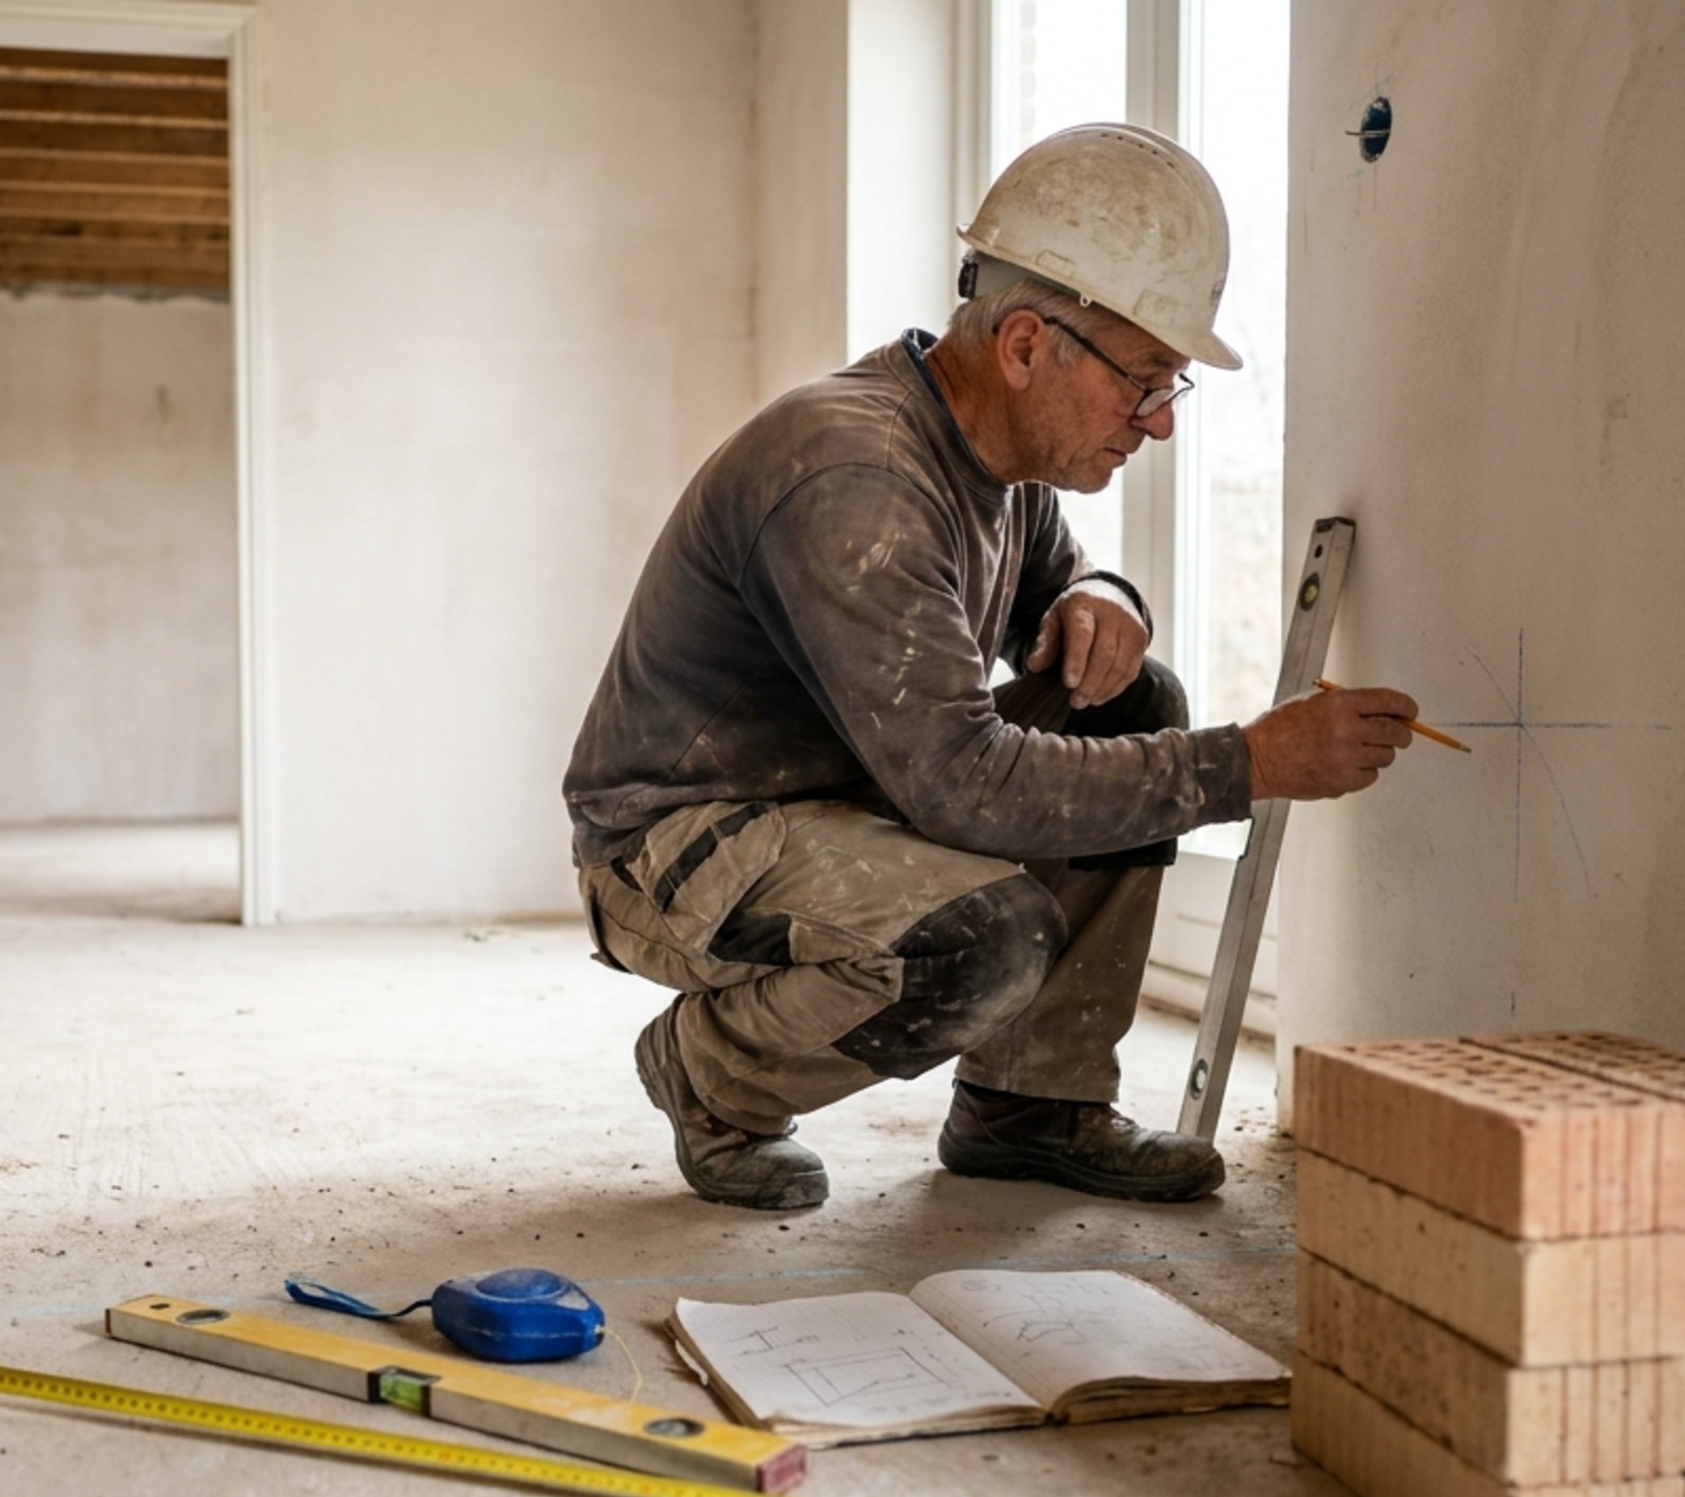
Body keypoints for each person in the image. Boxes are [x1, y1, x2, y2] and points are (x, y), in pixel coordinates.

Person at [561, 125, 1416, 1213]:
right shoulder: (854, 475)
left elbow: (1051, 588)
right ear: (1024, 345)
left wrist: (1102, 595)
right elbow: (963, 784)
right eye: (1144, 381)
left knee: (1132, 700)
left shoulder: (997, 457)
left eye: (1172, 388)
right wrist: (1247, 763)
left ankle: (1030, 1108)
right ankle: (711, 1077)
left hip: (847, 798)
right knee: (982, 940)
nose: (1156, 423)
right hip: (677, 849)